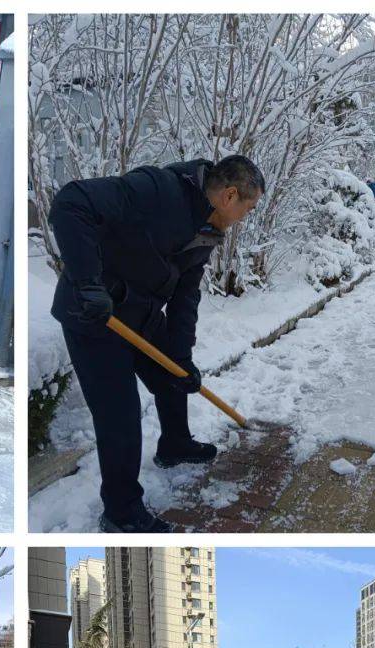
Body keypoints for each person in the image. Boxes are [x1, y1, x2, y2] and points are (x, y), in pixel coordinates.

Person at [49, 155, 264, 532]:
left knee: (174, 374)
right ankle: (121, 512)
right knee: (119, 414)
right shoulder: (157, 190)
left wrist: (182, 358)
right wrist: (87, 283)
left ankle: (175, 444)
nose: (246, 217)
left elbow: (185, 296)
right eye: (249, 207)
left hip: (138, 311)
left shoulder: (208, 228)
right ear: (230, 195)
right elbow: (71, 202)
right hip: (94, 314)